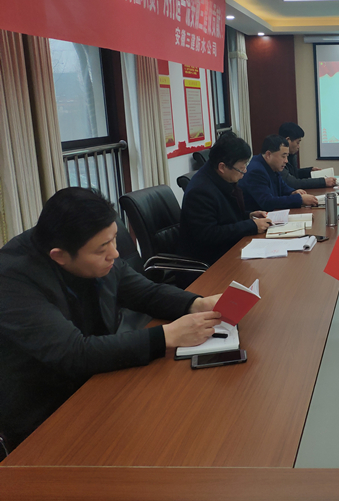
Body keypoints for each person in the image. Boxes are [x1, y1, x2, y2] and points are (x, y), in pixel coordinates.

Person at [0, 188, 223, 455]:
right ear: (59, 256)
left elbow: (145, 292)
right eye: (102, 249)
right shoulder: (11, 279)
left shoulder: (93, 245)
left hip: (99, 381)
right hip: (46, 410)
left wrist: (196, 303)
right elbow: (73, 353)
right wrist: (167, 336)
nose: (115, 254)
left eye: (115, 239)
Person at [179, 132, 273, 265]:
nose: (245, 171)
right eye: (241, 168)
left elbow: (225, 217)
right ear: (222, 167)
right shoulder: (200, 191)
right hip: (210, 261)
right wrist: (251, 226)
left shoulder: (219, 178)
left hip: (228, 250)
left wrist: (249, 216)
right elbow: (209, 234)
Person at [239, 135, 319, 211]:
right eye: (283, 156)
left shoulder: (272, 166)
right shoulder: (256, 171)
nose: (286, 161)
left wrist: (292, 192)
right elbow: (267, 202)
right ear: (268, 155)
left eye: (287, 156)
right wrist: (299, 199)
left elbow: (282, 186)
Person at [278, 122, 336, 190]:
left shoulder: (291, 156)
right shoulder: (278, 159)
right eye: (297, 142)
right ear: (288, 140)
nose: (298, 146)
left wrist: (309, 171)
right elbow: (293, 183)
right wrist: (323, 182)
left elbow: (293, 174)